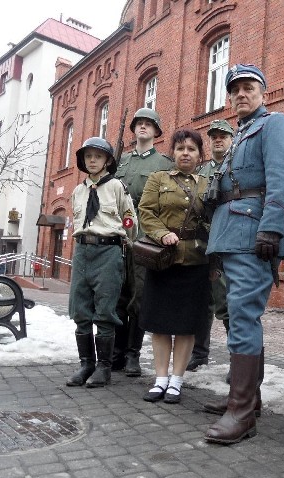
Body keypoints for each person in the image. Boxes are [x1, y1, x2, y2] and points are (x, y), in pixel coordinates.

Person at [203, 64, 284, 444]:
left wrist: (272, 227)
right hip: (231, 234)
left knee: (243, 316)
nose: (241, 94)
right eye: (235, 89)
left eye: (249, 87)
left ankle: (241, 412)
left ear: (264, 93)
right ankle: (245, 400)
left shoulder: (274, 125)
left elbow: (283, 177)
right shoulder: (241, 133)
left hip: (253, 233)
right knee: (239, 315)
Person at [137, 129, 210, 404]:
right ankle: (160, 379)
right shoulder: (158, 179)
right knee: (160, 324)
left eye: (191, 149)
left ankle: (177, 380)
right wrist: (160, 234)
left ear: (199, 155)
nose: (186, 153)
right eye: (180, 149)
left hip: (195, 262)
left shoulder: (207, 184)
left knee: (186, 326)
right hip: (163, 260)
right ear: (173, 153)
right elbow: (146, 211)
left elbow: (213, 218)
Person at [66, 137, 138, 388]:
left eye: (98, 156)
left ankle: (104, 367)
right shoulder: (78, 191)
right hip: (82, 251)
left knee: (106, 309)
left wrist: (122, 247)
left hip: (108, 252)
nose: (93, 160)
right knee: (80, 308)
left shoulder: (117, 186)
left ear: (108, 160)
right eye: (88, 156)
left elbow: (129, 221)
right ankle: (86, 363)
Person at [114, 108, 173, 375]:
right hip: (118, 236)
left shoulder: (164, 164)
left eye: (149, 124)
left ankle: (132, 354)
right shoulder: (120, 162)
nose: (143, 127)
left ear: (157, 131)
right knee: (117, 293)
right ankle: (114, 352)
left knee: (138, 295)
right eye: (139, 123)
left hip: (144, 237)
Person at [186, 119, 234, 373]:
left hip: (226, 245)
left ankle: (236, 362)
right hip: (201, 245)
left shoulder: (236, 168)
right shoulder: (200, 173)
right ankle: (199, 354)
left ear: (231, 140)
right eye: (214, 136)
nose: (218, 139)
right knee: (201, 301)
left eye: (223, 136)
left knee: (227, 302)